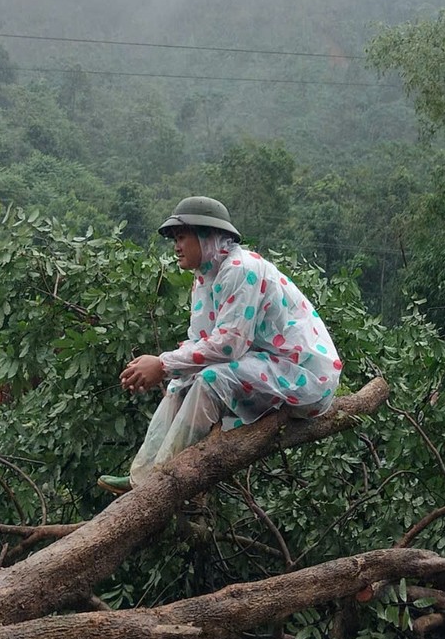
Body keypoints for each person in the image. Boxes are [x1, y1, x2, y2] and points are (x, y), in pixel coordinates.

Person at [99, 197, 342, 494]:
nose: (176, 246)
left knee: (210, 379)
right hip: (266, 364)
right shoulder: (205, 278)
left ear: (206, 235)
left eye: (182, 237)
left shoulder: (241, 268)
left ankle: (158, 483)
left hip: (303, 374)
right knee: (184, 378)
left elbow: (229, 346)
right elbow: (200, 342)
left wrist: (162, 364)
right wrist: (165, 369)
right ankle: (143, 476)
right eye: (175, 239)